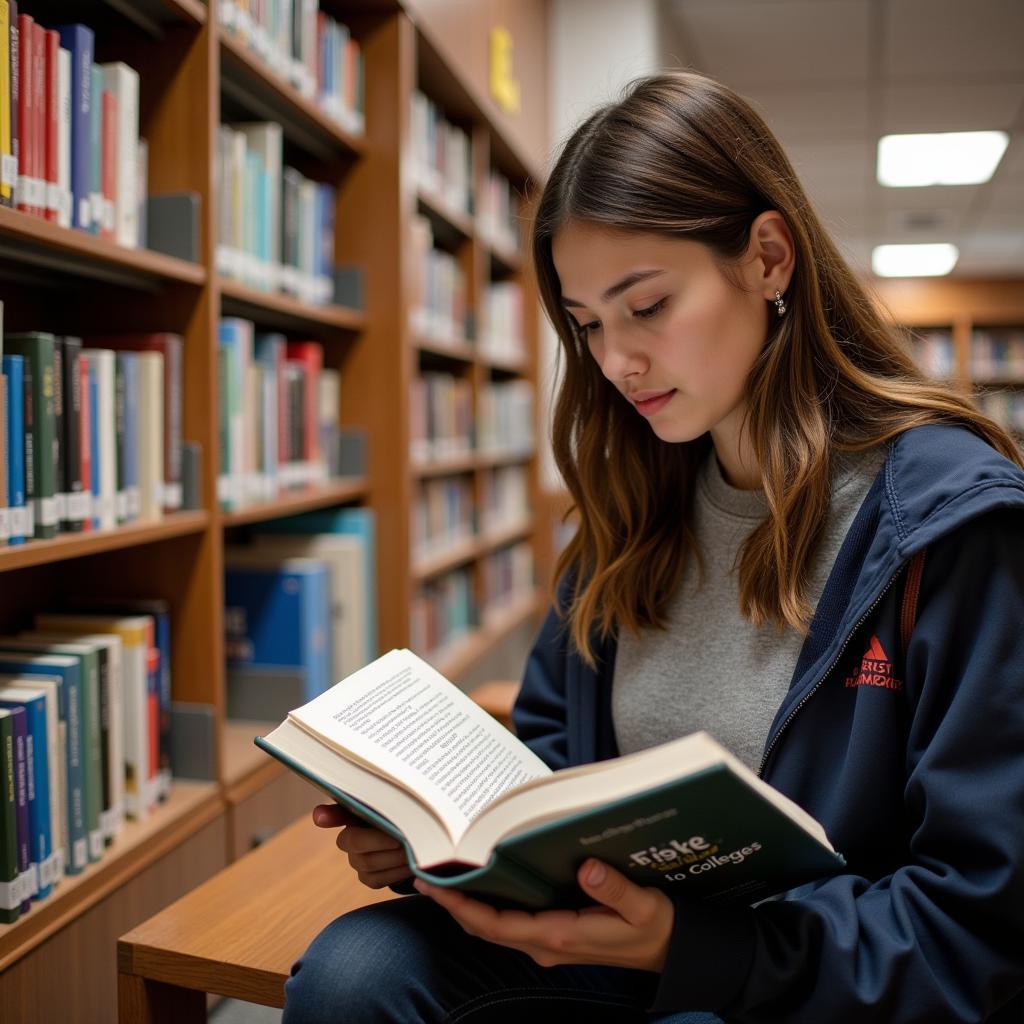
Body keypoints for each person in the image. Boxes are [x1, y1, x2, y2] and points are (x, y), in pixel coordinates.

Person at [282, 70, 1024, 1023]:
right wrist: (443, 840)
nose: (616, 361)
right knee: (354, 975)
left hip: (809, 982)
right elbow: (553, 757)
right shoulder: (636, 500)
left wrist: (698, 947)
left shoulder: (952, 524)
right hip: (616, 950)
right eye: (587, 324)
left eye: (647, 306)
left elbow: (981, 918)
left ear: (767, 258)